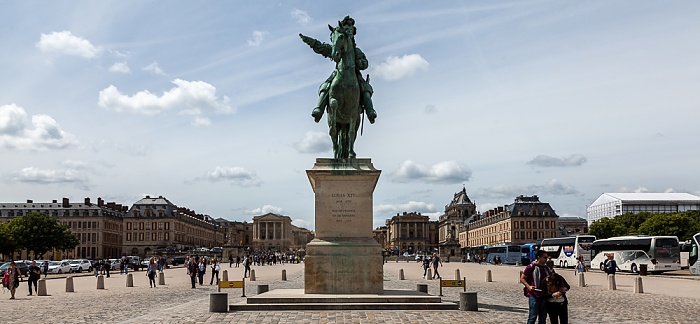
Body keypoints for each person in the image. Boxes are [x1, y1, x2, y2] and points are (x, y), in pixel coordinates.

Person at [300, 16, 377, 124]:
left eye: (351, 30)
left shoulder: (356, 50)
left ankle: (370, 111)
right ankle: (319, 109)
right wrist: (311, 42)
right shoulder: (338, 48)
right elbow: (323, 48)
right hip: (338, 72)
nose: (349, 32)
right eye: (347, 30)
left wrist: (360, 63)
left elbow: (365, 64)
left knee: (366, 89)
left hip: (355, 74)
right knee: (326, 86)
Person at [521, 250, 554, 324]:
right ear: (539, 257)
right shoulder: (531, 267)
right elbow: (522, 278)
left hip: (545, 296)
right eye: (544, 257)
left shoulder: (546, 268)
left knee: (543, 319)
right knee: (532, 317)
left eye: (546, 257)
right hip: (534, 296)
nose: (546, 259)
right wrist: (528, 286)